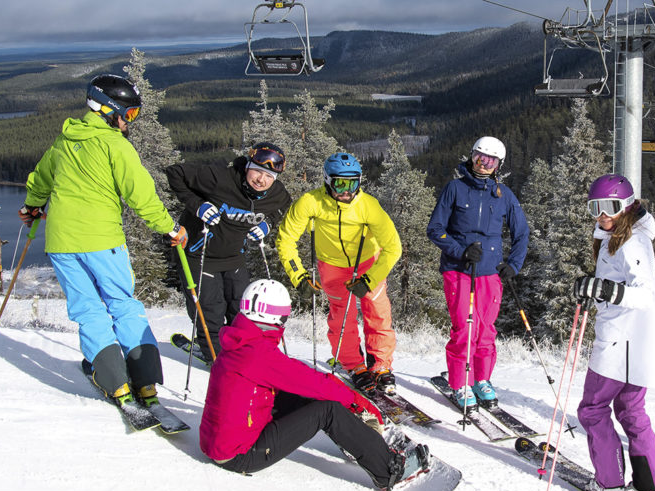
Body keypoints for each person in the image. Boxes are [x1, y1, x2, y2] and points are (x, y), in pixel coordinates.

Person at [20, 73, 187, 405]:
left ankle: (115, 382)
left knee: (87, 310)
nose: (130, 123)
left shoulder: (64, 141)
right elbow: (141, 196)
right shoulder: (115, 146)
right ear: (108, 110)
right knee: (122, 304)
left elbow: (41, 179)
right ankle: (145, 381)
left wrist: (32, 207)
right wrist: (171, 228)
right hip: (102, 241)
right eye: (129, 114)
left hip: (62, 244)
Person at [199, 278, 428, 491]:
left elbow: (298, 380)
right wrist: (356, 401)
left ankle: (355, 436)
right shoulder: (257, 354)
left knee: (307, 396)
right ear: (276, 318)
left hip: (223, 441)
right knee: (326, 410)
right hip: (240, 454)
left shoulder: (240, 341)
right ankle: (389, 470)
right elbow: (313, 382)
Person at [571, 174, 655, 491]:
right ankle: (648, 487)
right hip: (636, 344)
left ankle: (610, 483)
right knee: (631, 410)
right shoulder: (625, 235)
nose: (602, 215)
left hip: (620, 344)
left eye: (610, 207)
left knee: (593, 409)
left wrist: (603, 290)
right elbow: (612, 285)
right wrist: (593, 287)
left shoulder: (631, 244)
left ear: (626, 207)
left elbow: (644, 294)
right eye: (595, 208)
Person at [275, 153, 402, 393]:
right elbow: (286, 239)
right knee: (341, 318)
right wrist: (298, 276)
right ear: (327, 181)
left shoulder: (368, 206)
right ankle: (354, 365)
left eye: (352, 183)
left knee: (378, 313)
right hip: (332, 267)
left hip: (367, 264)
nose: (346, 191)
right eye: (339, 183)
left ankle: (381, 365)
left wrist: (370, 279)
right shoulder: (311, 202)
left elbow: (394, 246)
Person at [426, 136, 529, 410]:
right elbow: (435, 229)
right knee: (464, 329)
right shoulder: (455, 189)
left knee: (486, 331)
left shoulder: (504, 195)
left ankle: (481, 379)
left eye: (491, 160)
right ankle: (460, 382)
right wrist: (460, 251)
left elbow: (521, 233)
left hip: (490, 273)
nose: (484, 164)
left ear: (499, 165)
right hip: (459, 271)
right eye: (479, 158)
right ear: (471, 156)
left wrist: (513, 265)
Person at [165, 142, 292, 360]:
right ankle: (218, 358)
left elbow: (283, 205)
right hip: (199, 254)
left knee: (242, 311)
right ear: (247, 166)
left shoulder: (276, 193)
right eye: (258, 171)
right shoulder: (219, 177)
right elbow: (175, 173)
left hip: (234, 257)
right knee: (210, 311)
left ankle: (244, 355)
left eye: (269, 176)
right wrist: (198, 205)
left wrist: (267, 224)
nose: (261, 180)